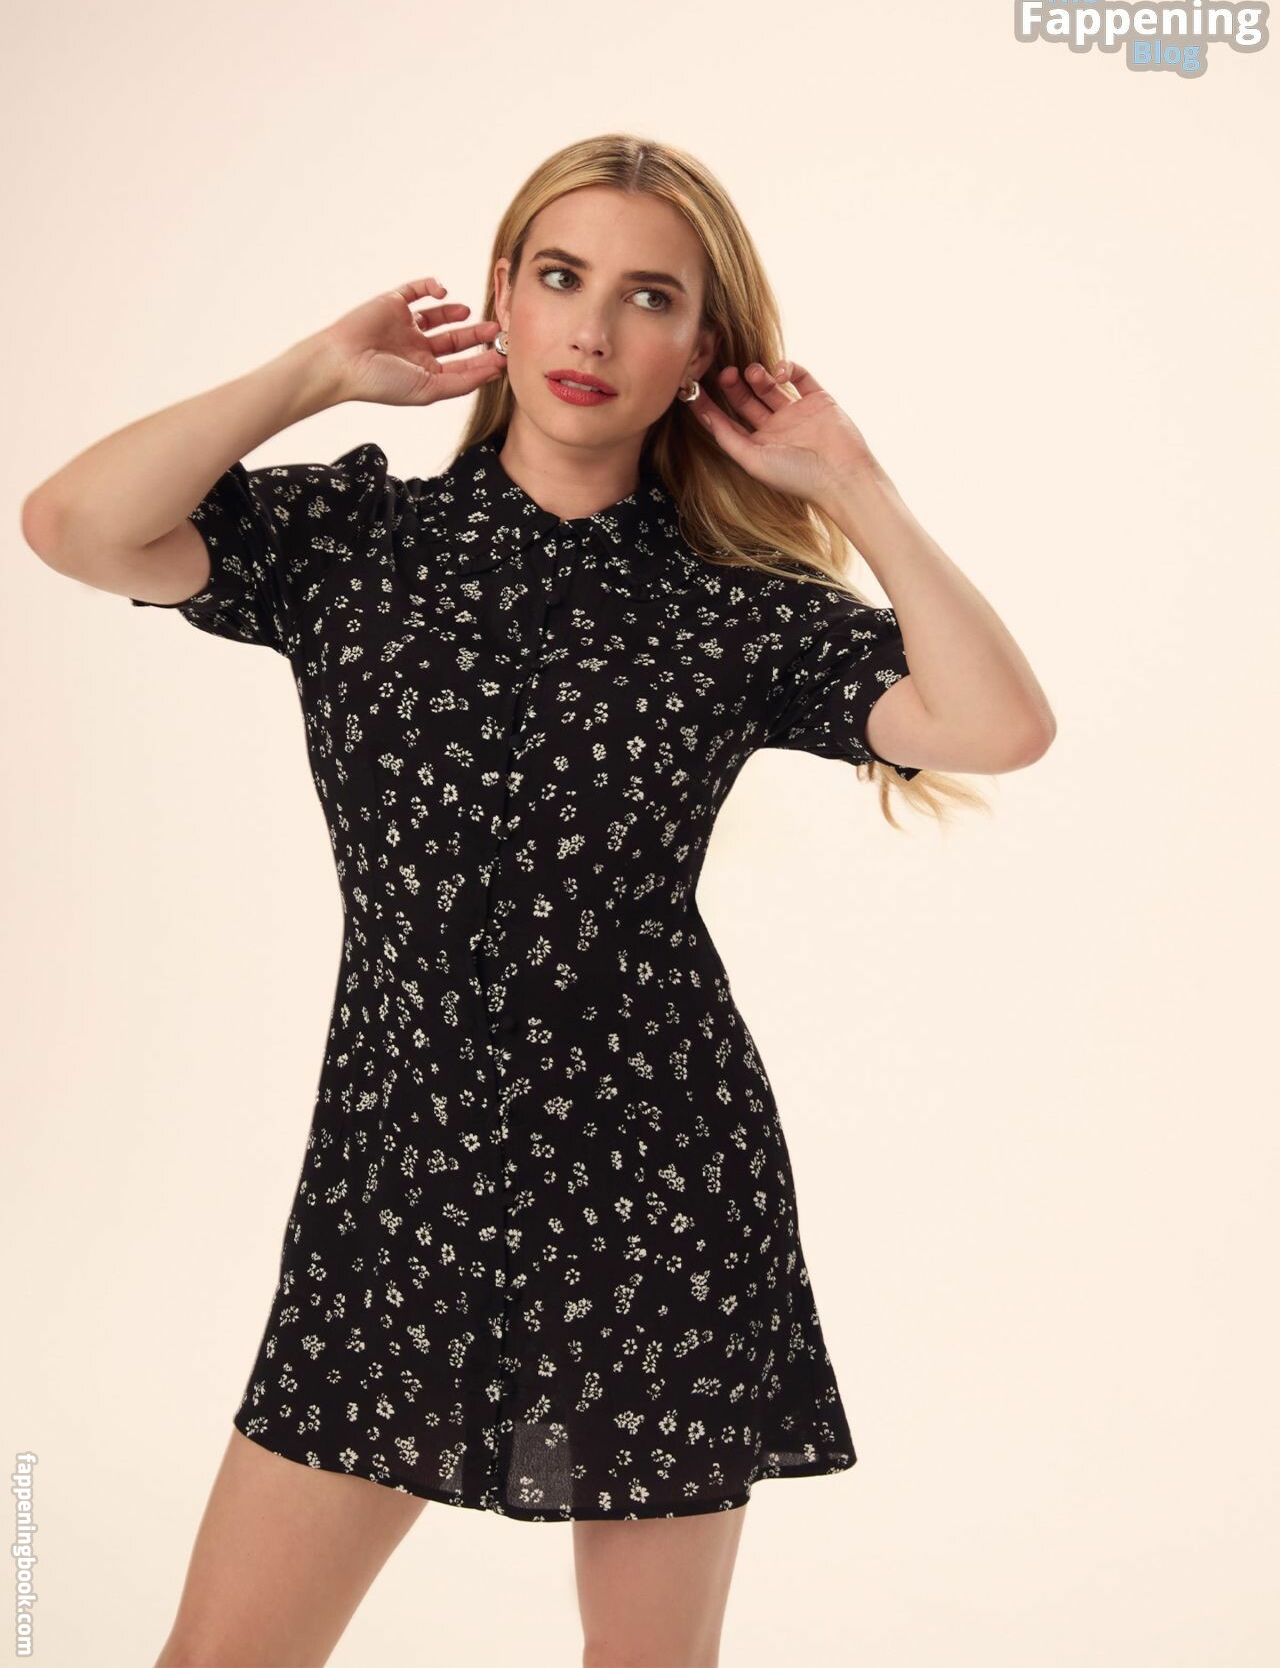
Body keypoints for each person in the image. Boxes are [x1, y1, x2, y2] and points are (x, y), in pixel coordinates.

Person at [21, 132, 1055, 1667]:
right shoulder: (353, 544)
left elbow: (996, 726)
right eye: (563, 277)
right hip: (397, 1184)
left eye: (651, 297)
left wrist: (854, 483)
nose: (594, 328)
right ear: (502, 293)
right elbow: (74, 526)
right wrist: (313, 374)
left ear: (701, 349)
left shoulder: (731, 607)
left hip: (659, 1189)